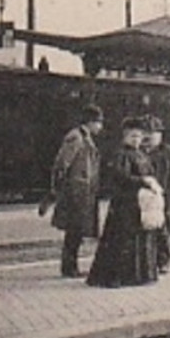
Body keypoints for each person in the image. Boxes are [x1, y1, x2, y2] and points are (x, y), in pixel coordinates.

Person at [87, 116, 161, 288]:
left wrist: (151, 183)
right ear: (125, 136)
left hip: (140, 204)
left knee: (140, 239)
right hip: (124, 204)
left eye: (139, 136)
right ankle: (119, 277)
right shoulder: (121, 155)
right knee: (121, 240)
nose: (136, 140)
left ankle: (140, 275)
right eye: (133, 136)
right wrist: (143, 181)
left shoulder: (141, 154)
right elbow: (120, 176)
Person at [46, 103, 103, 278]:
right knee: (74, 231)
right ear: (90, 122)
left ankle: (71, 266)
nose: (101, 127)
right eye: (99, 122)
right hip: (75, 193)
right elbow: (62, 164)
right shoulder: (76, 137)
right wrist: (58, 189)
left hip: (83, 192)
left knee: (77, 231)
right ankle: (69, 267)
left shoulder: (84, 137)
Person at [141, 116, 170, 273]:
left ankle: (163, 260)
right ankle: (147, 261)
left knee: (162, 229)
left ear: (160, 135)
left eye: (153, 132)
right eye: (146, 132)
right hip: (144, 199)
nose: (149, 136)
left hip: (163, 197)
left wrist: (168, 192)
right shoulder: (138, 152)